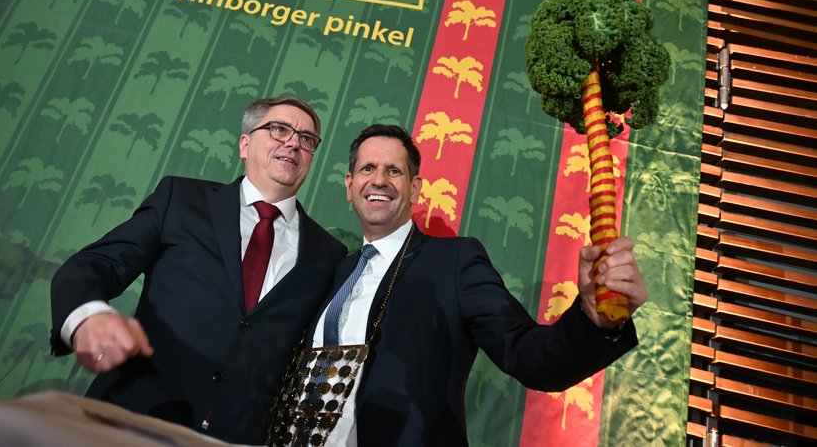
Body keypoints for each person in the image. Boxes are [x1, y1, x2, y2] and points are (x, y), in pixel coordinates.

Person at [296, 124, 648, 446]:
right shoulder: (335, 271)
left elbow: (529, 355)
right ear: (349, 185)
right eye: (367, 169)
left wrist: (596, 320)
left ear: (415, 188)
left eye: (394, 171)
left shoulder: (455, 262)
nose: (379, 180)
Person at [48, 96, 346, 444]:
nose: (294, 142)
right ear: (245, 144)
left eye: (306, 139)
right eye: (279, 129)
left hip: (236, 436)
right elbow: (93, 265)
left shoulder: (328, 253)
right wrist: (87, 317)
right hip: (130, 419)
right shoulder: (181, 199)